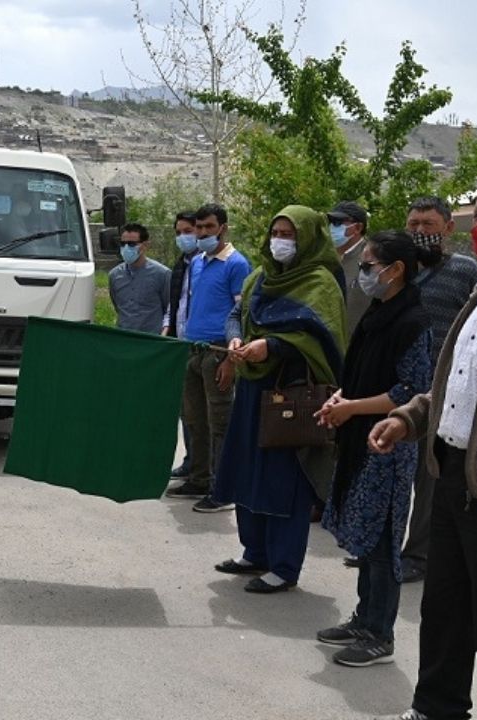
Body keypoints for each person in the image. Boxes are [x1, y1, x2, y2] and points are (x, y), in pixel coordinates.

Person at [369, 174, 477, 720]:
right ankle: (437, 708)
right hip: (454, 473)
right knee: (446, 607)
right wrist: (408, 418)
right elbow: (456, 384)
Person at [211, 205, 346, 592]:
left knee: (284, 479)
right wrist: (236, 339)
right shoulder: (261, 276)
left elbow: (321, 338)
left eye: (289, 235)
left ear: (308, 238)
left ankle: (284, 567)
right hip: (253, 390)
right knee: (246, 468)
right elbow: (237, 313)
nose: (279, 242)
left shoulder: (320, 283)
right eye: (276, 233)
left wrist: (271, 346)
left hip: (290, 395)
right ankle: (254, 552)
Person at [314, 230, 432, 667]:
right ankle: (363, 619)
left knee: (382, 543)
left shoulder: (413, 321)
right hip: (360, 437)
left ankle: (380, 634)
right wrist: (339, 399)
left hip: (388, 442)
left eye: (368, 266)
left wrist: (352, 408)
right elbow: (360, 372)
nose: (363, 274)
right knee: (366, 539)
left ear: (395, 270)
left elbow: (410, 390)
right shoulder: (378, 313)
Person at [399, 194, 477, 584]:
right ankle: (387, 549)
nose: (420, 231)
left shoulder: (465, 270)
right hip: (397, 390)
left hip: (439, 393)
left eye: (428, 225)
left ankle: (418, 554)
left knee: (428, 480)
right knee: (394, 475)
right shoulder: (398, 268)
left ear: (448, 228)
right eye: (413, 224)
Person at [166, 204, 252, 510]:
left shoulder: (236, 264)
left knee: (220, 422)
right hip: (193, 348)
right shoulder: (198, 262)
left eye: (208, 227)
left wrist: (231, 359)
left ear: (223, 228)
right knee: (195, 419)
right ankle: (199, 477)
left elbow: (241, 314)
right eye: (199, 227)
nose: (202, 233)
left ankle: (223, 488)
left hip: (218, 351)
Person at [163, 211, 199, 479]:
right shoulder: (180, 266)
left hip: (202, 344)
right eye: (178, 233)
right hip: (181, 343)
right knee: (186, 410)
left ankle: (204, 469)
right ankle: (191, 462)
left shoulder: (207, 264)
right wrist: (168, 328)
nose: (182, 237)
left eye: (188, 231)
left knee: (202, 414)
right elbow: (174, 305)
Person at [109, 222, 170, 334]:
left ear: (145, 245)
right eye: (123, 244)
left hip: (151, 337)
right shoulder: (114, 275)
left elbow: (169, 308)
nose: (126, 248)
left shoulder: (162, 274)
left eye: (131, 244)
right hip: (124, 336)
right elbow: (118, 305)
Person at [328, 201, 371, 334]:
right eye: (330, 222)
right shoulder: (327, 257)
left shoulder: (372, 258)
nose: (331, 228)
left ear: (358, 227)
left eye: (338, 223)